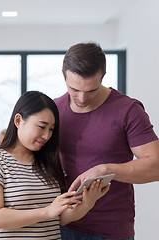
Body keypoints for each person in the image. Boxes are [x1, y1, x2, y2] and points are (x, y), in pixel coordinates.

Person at [54, 42, 159, 240]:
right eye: (74, 89)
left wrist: (105, 170)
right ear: (63, 75)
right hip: (61, 224)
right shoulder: (53, 109)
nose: (82, 98)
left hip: (111, 230)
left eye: (91, 90)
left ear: (103, 76)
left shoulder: (128, 110)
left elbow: (156, 166)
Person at [0, 91, 109, 240]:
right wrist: (46, 211)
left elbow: (58, 218)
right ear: (19, 121)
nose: (47, 135)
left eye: (51, 129)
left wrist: (88, 202)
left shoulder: (48, 163)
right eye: (41, 126)